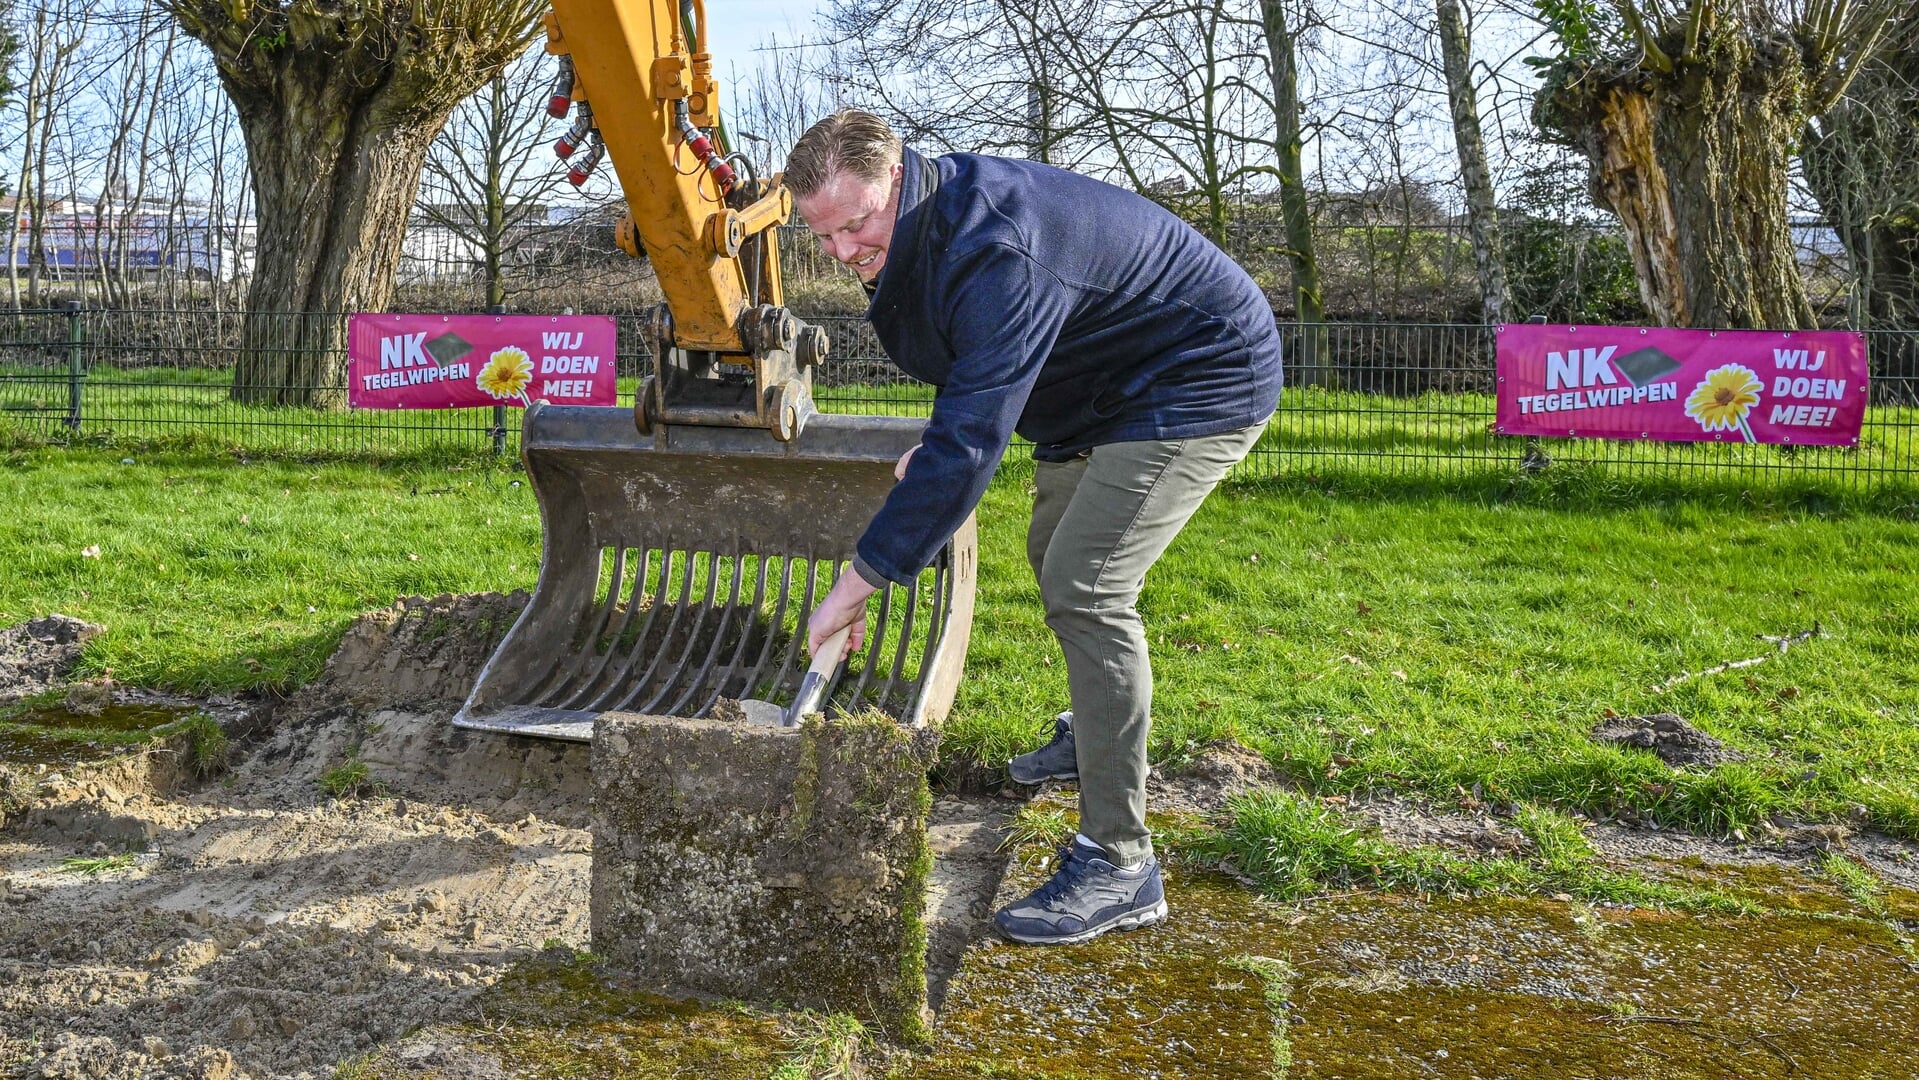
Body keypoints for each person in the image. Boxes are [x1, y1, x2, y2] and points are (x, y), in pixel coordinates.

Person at [788, 109, 1283, 946]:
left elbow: (976, 433)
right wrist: (944, 450)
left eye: (857, 223)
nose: (841, 253)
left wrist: (858, 580)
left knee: (1086, 585)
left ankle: (1119, 862)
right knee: (1051, 551)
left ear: (899, 176)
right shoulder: (928, 221)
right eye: (824, 235)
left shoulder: (997, 246)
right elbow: (972, 387)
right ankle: (1097, 731)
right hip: (1096, 387)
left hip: (1195, 378)